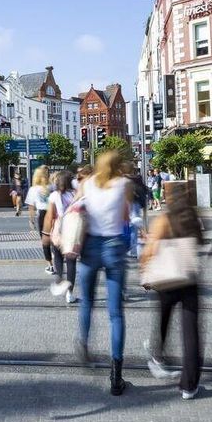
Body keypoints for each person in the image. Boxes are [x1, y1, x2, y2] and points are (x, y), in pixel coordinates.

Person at [74, 150, 134, 396]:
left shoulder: (87, 183)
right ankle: (116, 377)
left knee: (87, 301)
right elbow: (125, 216)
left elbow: (75, 208)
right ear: (119, 165)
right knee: (115, 313)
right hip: (113, 247)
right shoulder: (124, 184)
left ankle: (84, 343)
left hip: (90, 247)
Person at [140, 184, 205, 398]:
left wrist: (144, 273)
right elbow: (199, 246)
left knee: (163, 318)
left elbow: (150, 250)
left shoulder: (164, 220)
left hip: (166, 281)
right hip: (188, 279)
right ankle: (189, 385)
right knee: (191, 333)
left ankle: (158, 355)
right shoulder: (194, 218)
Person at [47, 171, 78, 304]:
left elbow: (50, 216)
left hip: (59, 227)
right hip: (72, 227)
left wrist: (47, 232)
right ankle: (70, 293)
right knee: (71, 261)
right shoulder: (75, 195)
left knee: (58, 256)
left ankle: (60, 278)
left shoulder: (54, 196)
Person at [25, 167, 52, 268]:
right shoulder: (52, 187)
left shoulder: (33, 189)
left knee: (45, 239)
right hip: (53, 213)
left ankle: (50, 264)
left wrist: (31, 220)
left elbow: (31, 206)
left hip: (42, 214)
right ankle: (57, 256)